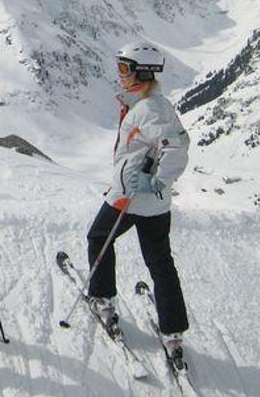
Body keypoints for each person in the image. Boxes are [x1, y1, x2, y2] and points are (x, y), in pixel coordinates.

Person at [86, 40, 191, 361]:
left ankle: (103, 298)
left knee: (99, 238)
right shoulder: (156, 104)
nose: (120, 75)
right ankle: (172, 328)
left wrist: (155, 180)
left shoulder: (148, 109)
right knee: (160, 260)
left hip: (130, 198)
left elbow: (176, 148)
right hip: (155, 203)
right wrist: (159, 185)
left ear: (140, 72)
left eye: (124, 69)